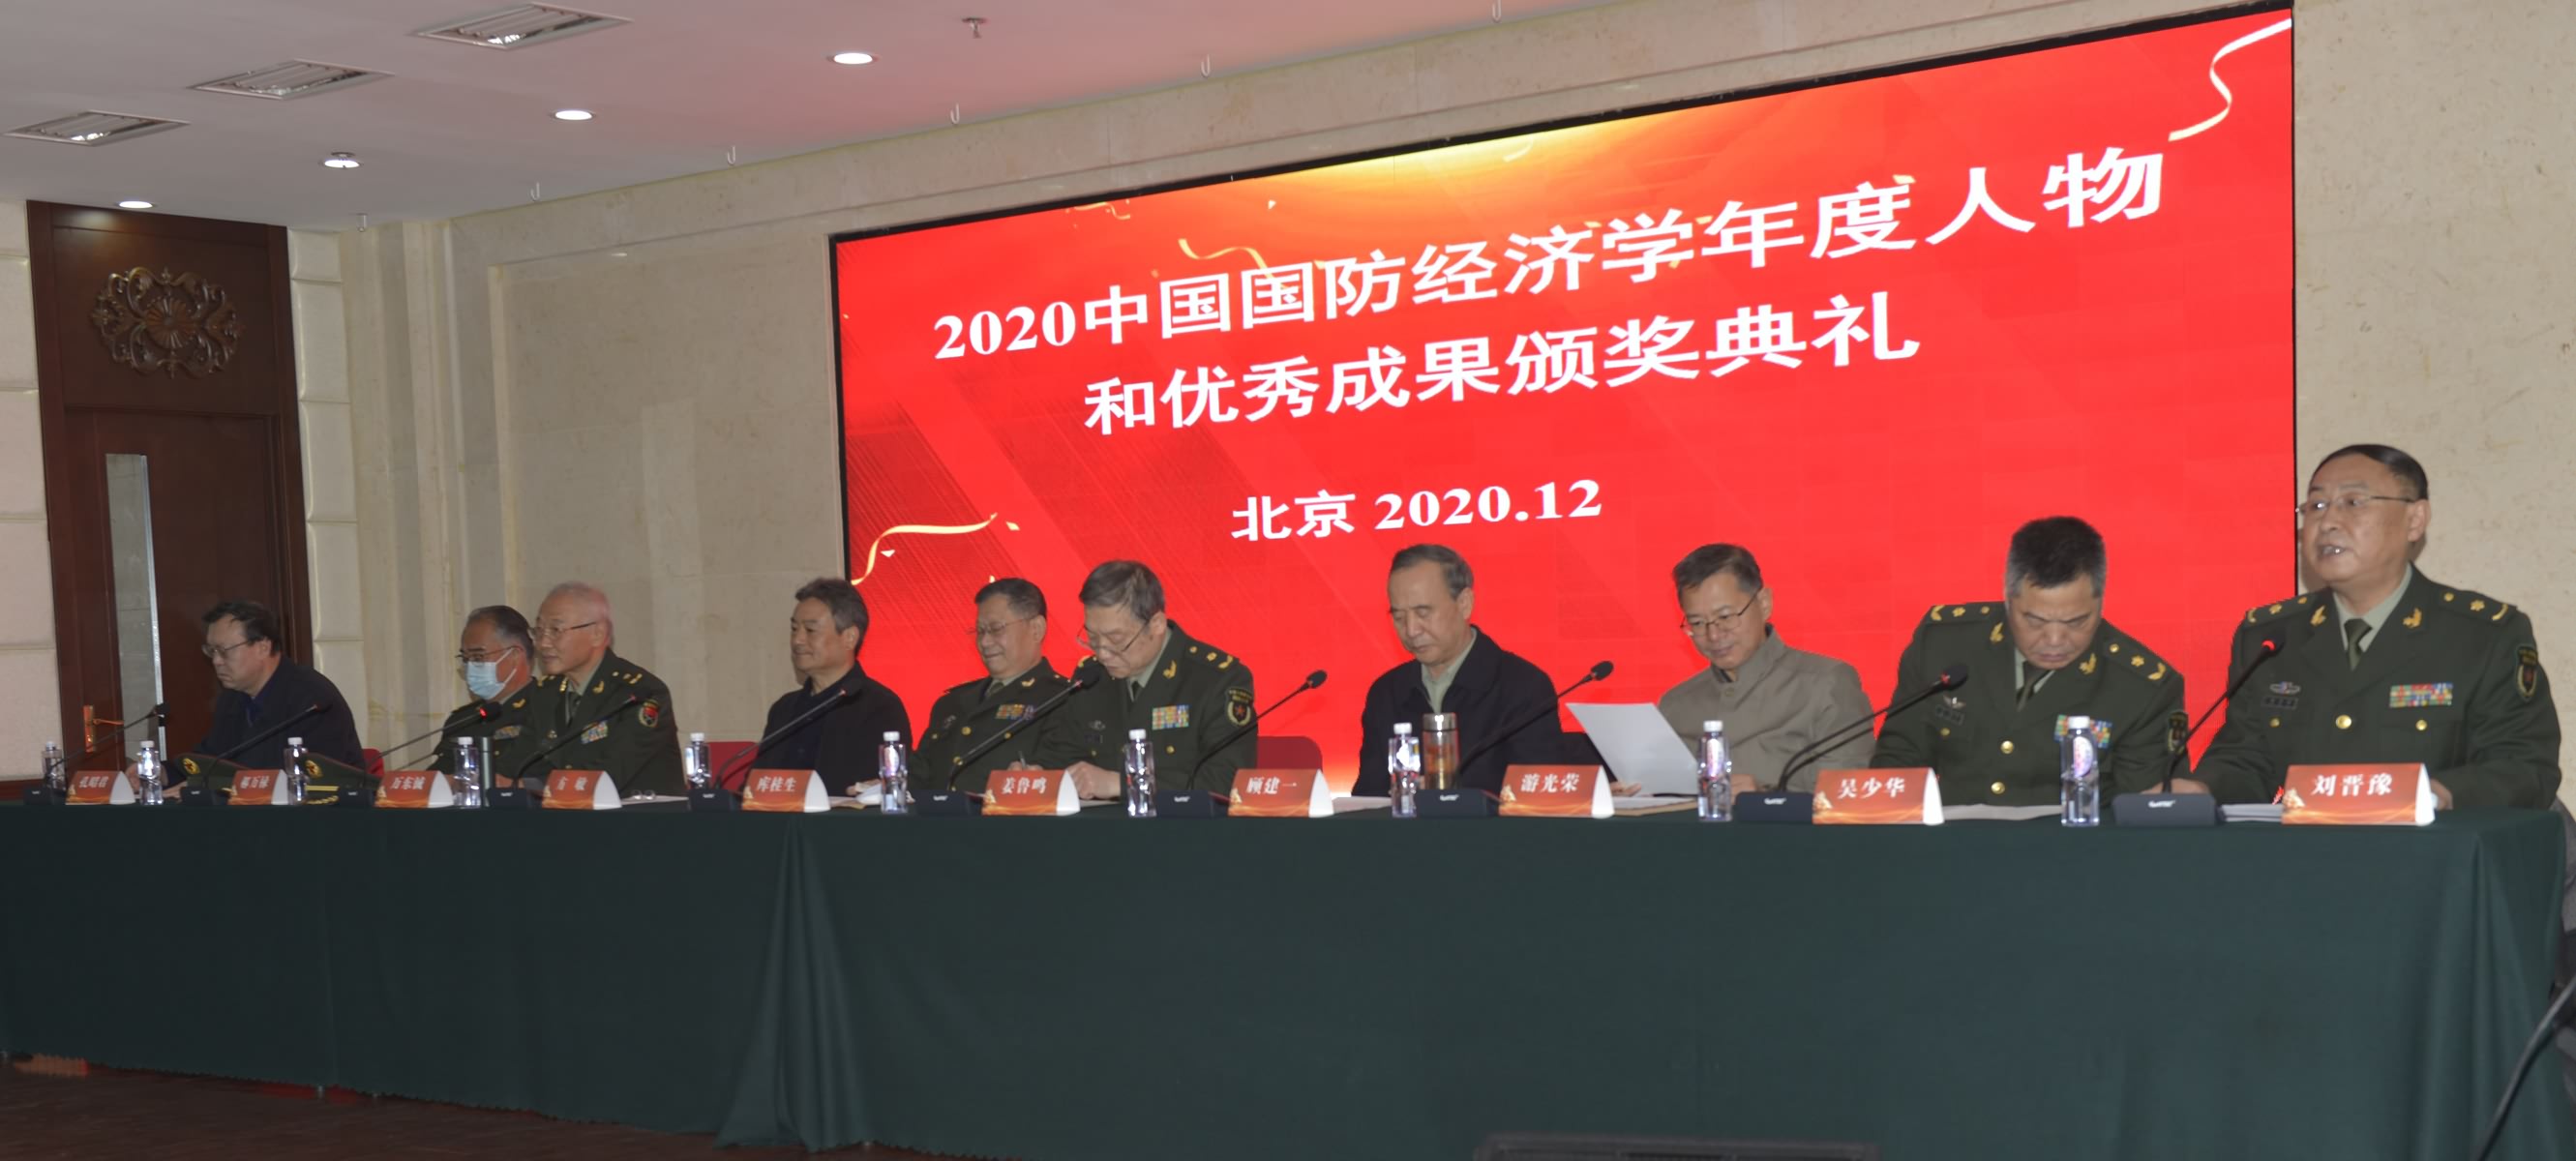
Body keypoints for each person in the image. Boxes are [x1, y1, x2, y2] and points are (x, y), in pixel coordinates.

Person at [2180, 444, 2559, 807]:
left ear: (2415, 520)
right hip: (2306, 849)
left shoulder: (2482, 635)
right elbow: (2246, 759)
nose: (2327, 522)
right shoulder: (2272, 638)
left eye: (2353, 502)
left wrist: (2438, 795)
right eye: (2316, 506)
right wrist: (2201, 789)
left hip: (2431, 848)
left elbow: (2525, 768)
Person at [1871, 517, 2188, 805]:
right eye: (2034, 621)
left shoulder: (2142, 689)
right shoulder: (1944, 645)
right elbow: (1899, 762)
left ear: (2101, 602)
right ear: (2008, 599)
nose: (2055, 640)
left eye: (2076, 621)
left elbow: (2138, 810)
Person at [1654, 544, 1874, 791]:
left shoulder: (1825, 683)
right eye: (1697, 622)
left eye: (1725, 617)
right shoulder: (1675, 705)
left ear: (1764, 603)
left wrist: (1766, 797)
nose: (1713, 634)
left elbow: (1850, 791)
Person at [1350, 544, 1566, 796]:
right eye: (1399, 617)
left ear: (1464, 603)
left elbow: (1539, 798)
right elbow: (1368, 797)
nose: (1411, 630)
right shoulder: (1387, 693)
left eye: (1423, 613)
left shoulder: (1522, 686)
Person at [1032, 561, 1254, 796]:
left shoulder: (1217, 680)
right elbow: (1060, 755)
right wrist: (1036, 773)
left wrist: (1122, 785)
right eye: (1093, 638)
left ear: (1156, 624)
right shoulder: (1092, 678)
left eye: (1116, 639)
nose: (1103, 653)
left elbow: (1226, 783)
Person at [497, 581, 681, 796]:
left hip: (638, 815)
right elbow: (515, 763)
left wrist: (527, 786)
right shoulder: (547, 693)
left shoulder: (639, 693)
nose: (543, 643)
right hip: (567, 813)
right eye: (538, 631)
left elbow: (608, 776)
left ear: (598, 634)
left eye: (556, 630)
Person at [913, 578, 1074, 793]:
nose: (985, 642)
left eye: (996, 629)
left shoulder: (1064, 700)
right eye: (980, 631)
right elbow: (919, 774)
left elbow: (1054, 781)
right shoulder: (951, 703)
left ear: (1036, 629)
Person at [759, 578, 910, 794]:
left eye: (810, 630)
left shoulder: (880, 707)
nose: (797, 640)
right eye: (794, 629)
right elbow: (757, 788)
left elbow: (872, 791)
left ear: (849, 637)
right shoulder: (783, 709)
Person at [186, 599, 364, 778]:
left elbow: (319, 777)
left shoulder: (312, 699)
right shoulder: (232, 698)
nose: (216, 661)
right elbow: (208, 759)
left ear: (263, 648)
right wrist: (175, 777)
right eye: (212, 651)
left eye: (224, 650)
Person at [430, 605, 537, 781]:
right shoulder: (462, 720)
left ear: (515, 655)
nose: (470, 666)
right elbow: (436, 777)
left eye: (478, 657)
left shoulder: (544, 710)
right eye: (465, 659)